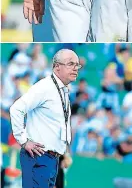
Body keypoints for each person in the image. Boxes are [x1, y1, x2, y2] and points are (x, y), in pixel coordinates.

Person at [9, 49, 81, 188]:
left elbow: (58, 125)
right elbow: (16, 108)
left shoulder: (63, 90)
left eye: (77, 65)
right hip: (39, 156)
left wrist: (64, 152)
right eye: (71, 64)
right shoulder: (45, 87)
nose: (75, 68)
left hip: (52, 158)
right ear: (57, 66)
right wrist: (24, 141)